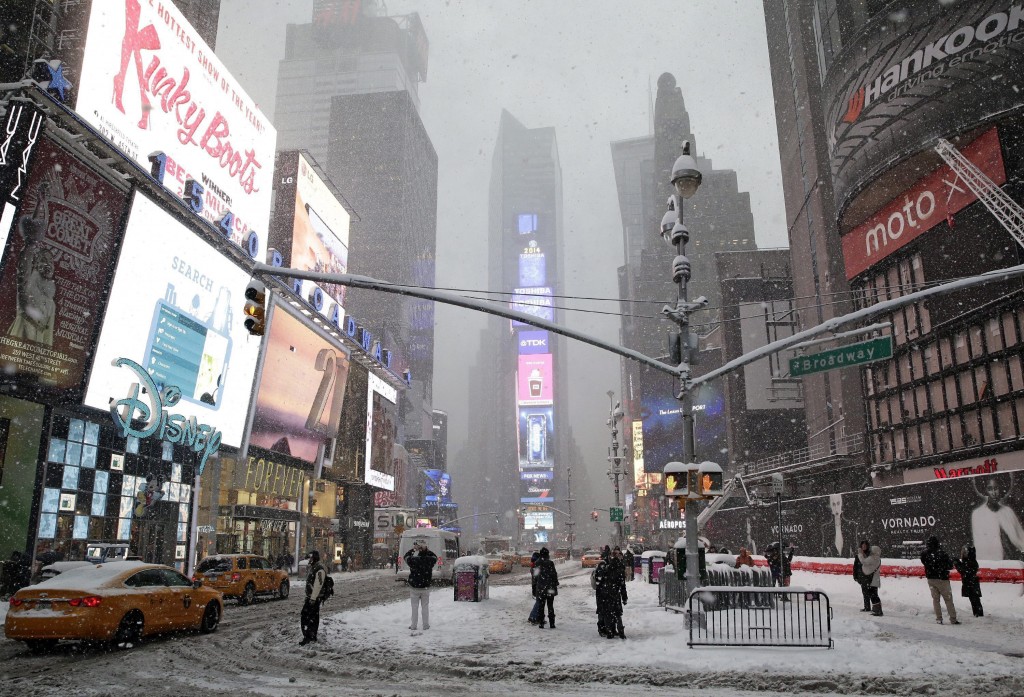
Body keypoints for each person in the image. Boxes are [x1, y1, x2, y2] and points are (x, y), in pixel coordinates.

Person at [970, 476, 1024, 561]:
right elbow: (980, 546)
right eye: (990, 489)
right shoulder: (978, 514)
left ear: (1001, 488)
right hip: (992, 563)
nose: (994, 493)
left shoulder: (1008, 512)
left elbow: (1021, 538)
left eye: (996, 488)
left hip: (1012, 561)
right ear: (985, 490)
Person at [920, 536, 959, 625]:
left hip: (930, 579)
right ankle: (953, 619)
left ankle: (939, 618)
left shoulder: (924, 554)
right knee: (948, 599)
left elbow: (923, 561)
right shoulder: (942, 553)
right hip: (942, 579)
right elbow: (949, 566)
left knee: (935, 600)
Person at [595, 549, 628, 639]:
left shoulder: (605, 566)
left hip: (605, 594)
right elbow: (622, 584)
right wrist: (624, 597)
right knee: (616, 614)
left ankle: (609, 631)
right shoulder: (618, 567)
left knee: (607, 613)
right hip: (613, 593)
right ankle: (617, 631)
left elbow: (598, 580)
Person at [404, 541, 437, 630]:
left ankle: (413, 625)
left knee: (414, 607)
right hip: (425, 586)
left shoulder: (413, 560)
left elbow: (406, 556)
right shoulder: (429, 559)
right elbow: (435, 557)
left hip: (414, 587)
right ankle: (425, 625)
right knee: (425, 606)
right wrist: (425, 549)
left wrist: (414, 549)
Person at [300, 550, 328, 645]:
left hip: (314, 598)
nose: (309, 560)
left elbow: (318, 585)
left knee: (310, 617)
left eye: (310, 558)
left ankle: (310, 637)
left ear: (314, 558)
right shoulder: (314, 567)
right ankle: (309, 636)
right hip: (311, 597)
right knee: (309, 616)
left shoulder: (319, 569)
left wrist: (313, 598)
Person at [954, 545, 983, 618]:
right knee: (974, 599)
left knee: (975, 599)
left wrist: (957, 563)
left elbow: (963, 570)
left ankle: (978, 614)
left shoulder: (971, 562)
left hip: (971, 583)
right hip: (970, 582)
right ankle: (977, 614)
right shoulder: (969, 561)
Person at [533, 547, 559, 628]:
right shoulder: (550, 563)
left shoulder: (537, 563)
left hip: (541, 588)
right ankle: (552, 623)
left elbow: (535, 576)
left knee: (541, 606)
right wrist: (555, 583)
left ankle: (541, 623)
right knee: (550, 606)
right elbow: (554, 575)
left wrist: (536, 585)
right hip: (550, 588)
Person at [856, 540, 883, 616]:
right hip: (874, 579)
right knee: (873, 594)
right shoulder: (877, 558)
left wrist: (860, 554)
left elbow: (863, 561)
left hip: (872, 579)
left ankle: (878, 610)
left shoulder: (873, 557)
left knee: (873, 595)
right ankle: (877, 609)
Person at [528, 551, 543, 624]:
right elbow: (539, 578)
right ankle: (533, 617)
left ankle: (538, 618)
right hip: (538, 587)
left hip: (537, 587)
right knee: (539, 602)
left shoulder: (534, 567)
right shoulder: (535, 568)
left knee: (540, 602)